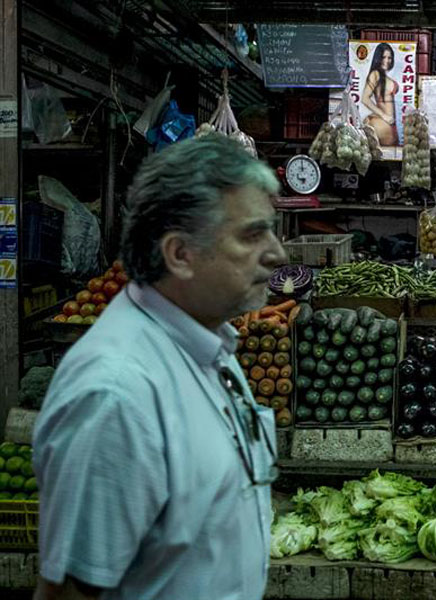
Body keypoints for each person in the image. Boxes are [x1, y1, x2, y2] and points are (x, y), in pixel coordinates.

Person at [32, 135, 287, 600]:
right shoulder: (117, 394)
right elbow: (68, 592)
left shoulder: (207, 345)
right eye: (252, 234)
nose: (277, 254)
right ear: (179, 254)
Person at [361, 42, 400, 146]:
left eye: (389, 58)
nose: (386, 61)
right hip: (384, 122)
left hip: (389, 122)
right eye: (383, 57)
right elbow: (365, 99)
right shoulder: (375, 74)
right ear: (378, 58)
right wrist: (384, 116)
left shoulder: (384, 77)